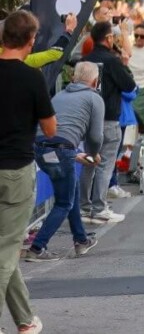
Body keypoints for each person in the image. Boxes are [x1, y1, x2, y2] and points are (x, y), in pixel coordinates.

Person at [0, 10, 54, 334]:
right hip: (16, 170)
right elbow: (50, 129)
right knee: (6, 250)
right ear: (31, 41)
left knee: (4, 248)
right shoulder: (33, 78)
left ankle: (25, 320)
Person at [23, 62, 103, 262]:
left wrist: (73, 154)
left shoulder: (59, 95)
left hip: (41, 148)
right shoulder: (94, 98)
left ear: (74, 78)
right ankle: (37, 247)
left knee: (70, 191)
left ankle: (81, 239)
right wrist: (94, 154)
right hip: (63, 150)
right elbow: (95, 136)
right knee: (64, 202)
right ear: (95, 81)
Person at [80, 20, 136, 224]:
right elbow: (129, 85)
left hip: (87, 119)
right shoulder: (112, 61)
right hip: (109, 118)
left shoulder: (85, 60)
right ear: (109, 38)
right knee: (104, 164)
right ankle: (99, 208)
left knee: (89, 162)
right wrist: (124, 65)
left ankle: (84, 207)